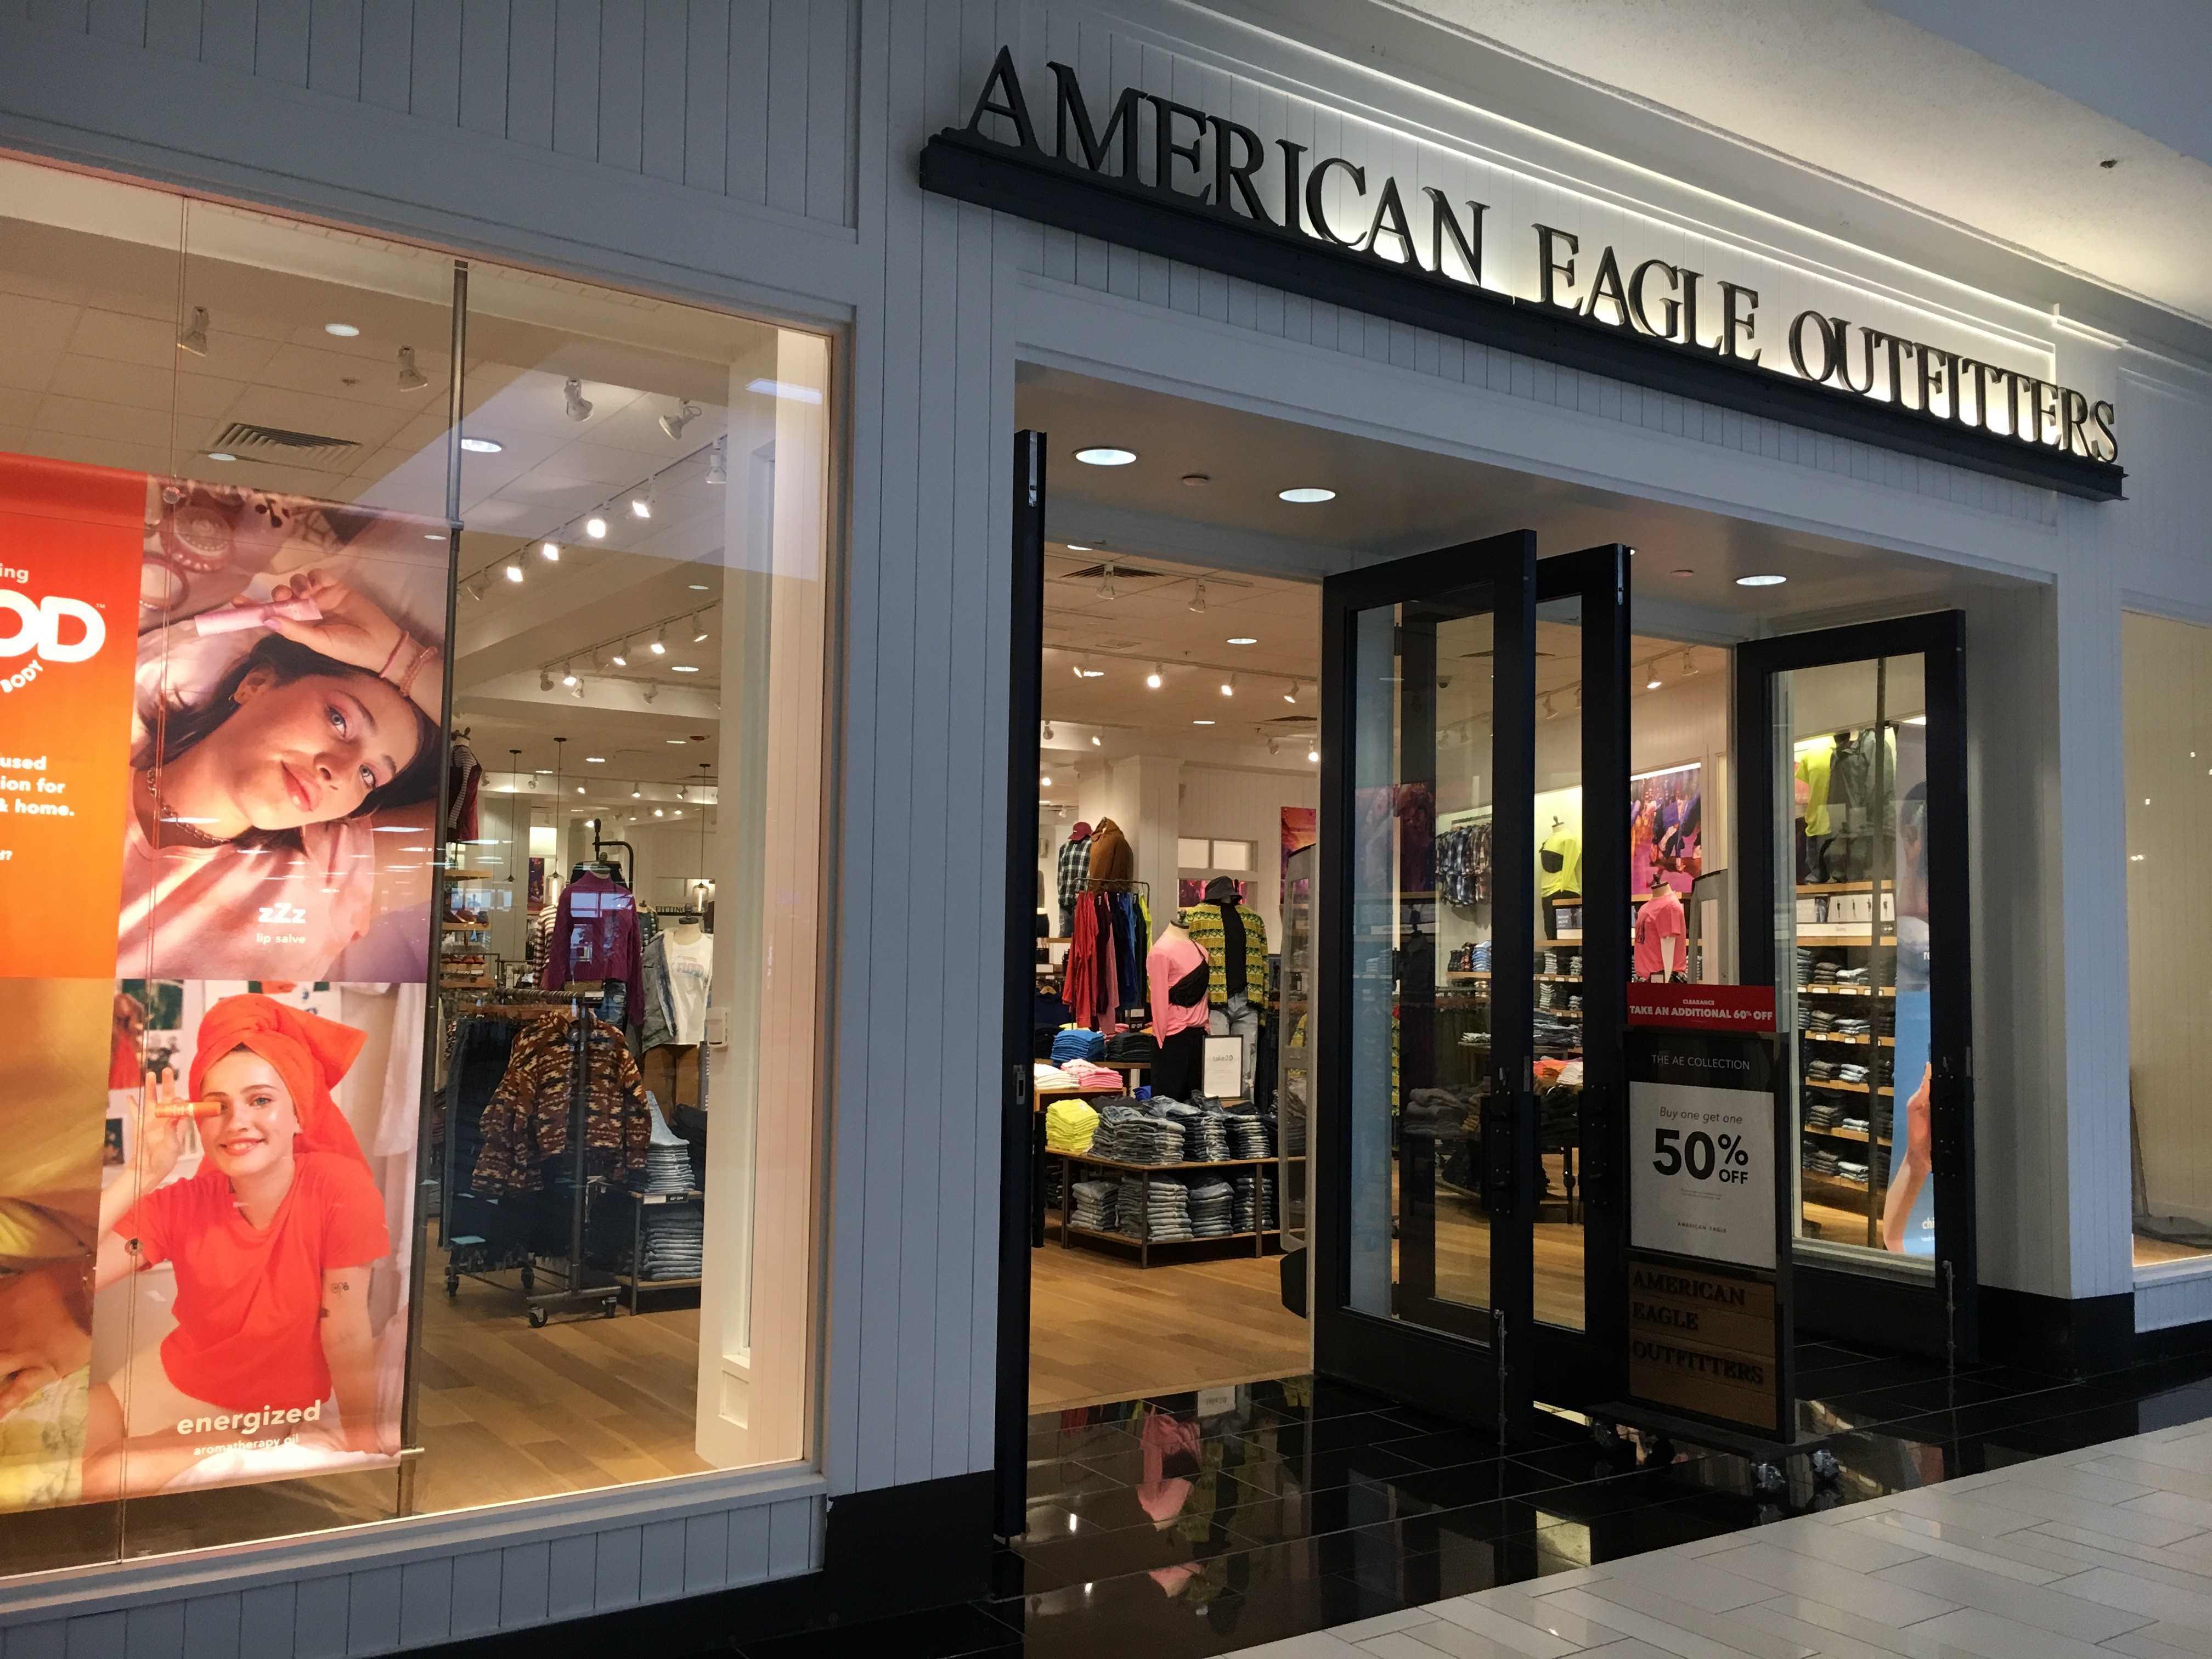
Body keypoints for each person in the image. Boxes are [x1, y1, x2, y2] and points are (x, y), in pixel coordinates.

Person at [80, 994, 394, 1499]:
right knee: (47, 1455)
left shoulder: (338, 1190)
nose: (238, 1122)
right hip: (161, 1377)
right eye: (218, 1106)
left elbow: (346, 1330)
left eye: (261, 1100)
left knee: (98, 1479)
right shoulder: (182, 1202)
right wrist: (140, 1173)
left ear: (300, 1114)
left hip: (254, 1415)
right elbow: (73, 1272)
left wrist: (364, 1439)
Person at [118, 569, 443, 980]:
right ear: (256, 684)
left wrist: (400, 656)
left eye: (368, 774)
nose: (340, 772)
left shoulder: (332, 870)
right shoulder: (69, 778)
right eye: (340, 720)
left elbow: (495, 800)